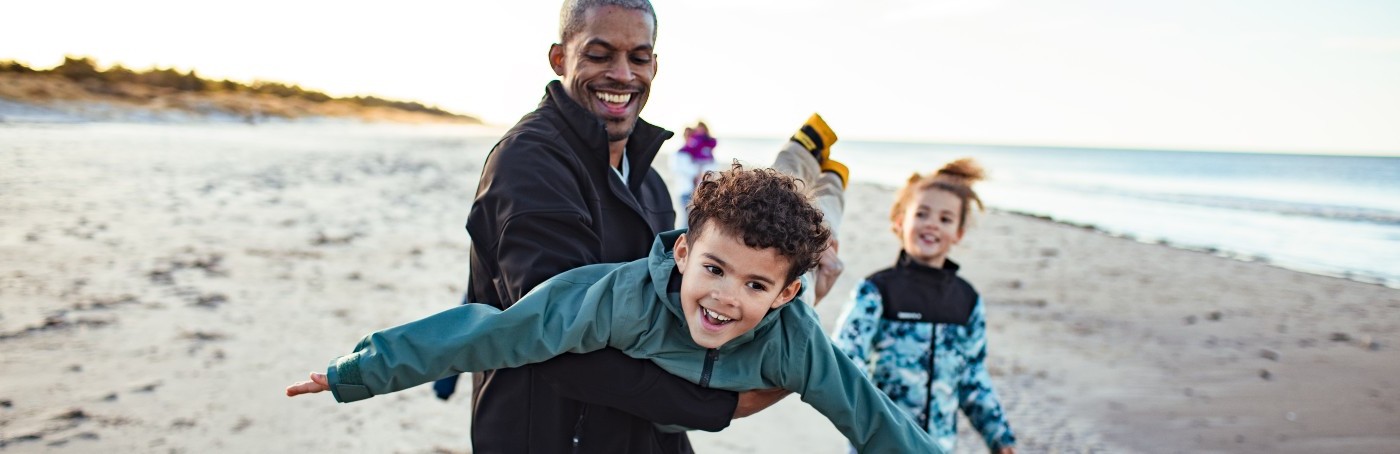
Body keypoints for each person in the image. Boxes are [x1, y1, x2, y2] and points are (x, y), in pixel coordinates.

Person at [286, 162, 946, 453]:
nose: (722, 297)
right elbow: (491, 334)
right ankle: (803, 170)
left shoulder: (794, 340)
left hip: (795, 287)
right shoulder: (615, 300)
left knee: (823, 235)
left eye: (753, 285)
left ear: (782, 296)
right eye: (713, 269)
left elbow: (872, 419)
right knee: (795, 219)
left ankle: (823, 177)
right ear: (683, 253)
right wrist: (360, 371)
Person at [423, 0, 846, 452]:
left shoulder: (647, 177)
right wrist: (720, 405)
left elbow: (675, 314)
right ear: (560, 58)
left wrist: (786, 301)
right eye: (599, 55)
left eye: (639, 57)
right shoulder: (529, 166)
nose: (623, 75)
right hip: (548, 436)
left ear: (655, 64)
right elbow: (551, 342)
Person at [830, 158, 1018, 454]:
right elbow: (844, 359)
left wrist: (1000, 437)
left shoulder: (966, 299)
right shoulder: (876, 290)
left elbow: (973, 377)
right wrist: (867, 419)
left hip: (938, 447)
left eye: (945, 219)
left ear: (958, 233)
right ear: (900, 222)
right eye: (922, 214)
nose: (932, 224)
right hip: (879, 444)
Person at [671, 121, 717, 227]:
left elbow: (711, 167)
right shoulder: (680, 153)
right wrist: (697, 172)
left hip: (700, 190)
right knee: (688, 219)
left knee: (697, 219)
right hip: (685, 190)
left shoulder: (700, 152)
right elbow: (680, 170)